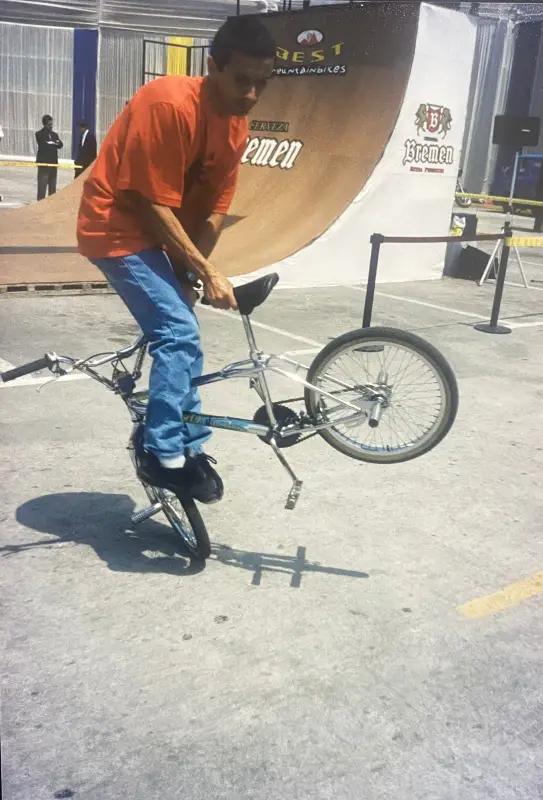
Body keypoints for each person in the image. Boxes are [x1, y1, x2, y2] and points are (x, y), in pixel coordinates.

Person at [77, 16, 276, 504]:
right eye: (241, 80)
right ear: (213, 66)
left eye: (261, 84)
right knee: (177, 332)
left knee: (185, 338)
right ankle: (161, 453)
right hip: (116, 228)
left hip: (161, 236)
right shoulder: (167, 103)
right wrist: (206, 272)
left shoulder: (235, 126)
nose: (250, 95)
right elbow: (147, 201)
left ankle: (189, 444)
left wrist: (190, 272)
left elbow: (215, 210)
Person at [35, 115, 63, 201]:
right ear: (45, 124)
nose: (51, 126)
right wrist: (54, 143)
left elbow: (60, 145)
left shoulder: (54, 134)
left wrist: (52, 143)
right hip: (44, 164)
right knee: (42, 187)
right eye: (49, 124)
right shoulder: (39, 134)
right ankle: (40, 204)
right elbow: (43, 146)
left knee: (52, 187)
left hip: (53, 164)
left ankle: (51, 205)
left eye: (52, 124)